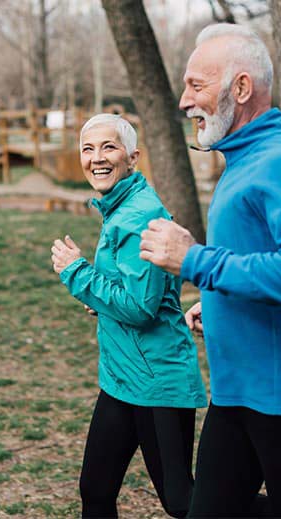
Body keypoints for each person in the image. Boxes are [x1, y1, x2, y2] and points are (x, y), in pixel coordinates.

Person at [139, 23, 281, 518]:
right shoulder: (243, 162)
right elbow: (257, 261)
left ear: (242, 88)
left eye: (196, 86)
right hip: (236, 394)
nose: (185, 102)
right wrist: (217, 303)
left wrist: (194, 261)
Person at [50, 113, 207, 518]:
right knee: (96, 489)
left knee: (182, 501)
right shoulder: (120, 207)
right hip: (123, 378)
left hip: (157, 380)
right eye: (88, 149)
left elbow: (140, 309)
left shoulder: (138, 216)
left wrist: (77, 273)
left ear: (132, 157)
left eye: (109, 147)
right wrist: (102, 297)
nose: (96, 158)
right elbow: (140, 292)